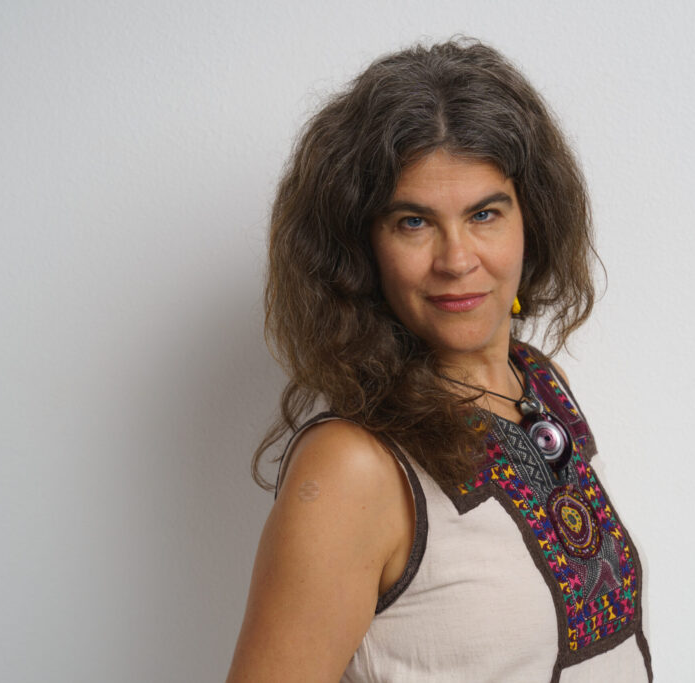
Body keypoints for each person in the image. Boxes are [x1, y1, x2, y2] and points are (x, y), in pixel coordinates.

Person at [227, 38, 652, 683]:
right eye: (413, 222)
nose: (456, 260)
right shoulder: (351, 467)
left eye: (484, 213)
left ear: (531, 221)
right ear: (360, 250)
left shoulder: (542, 385)